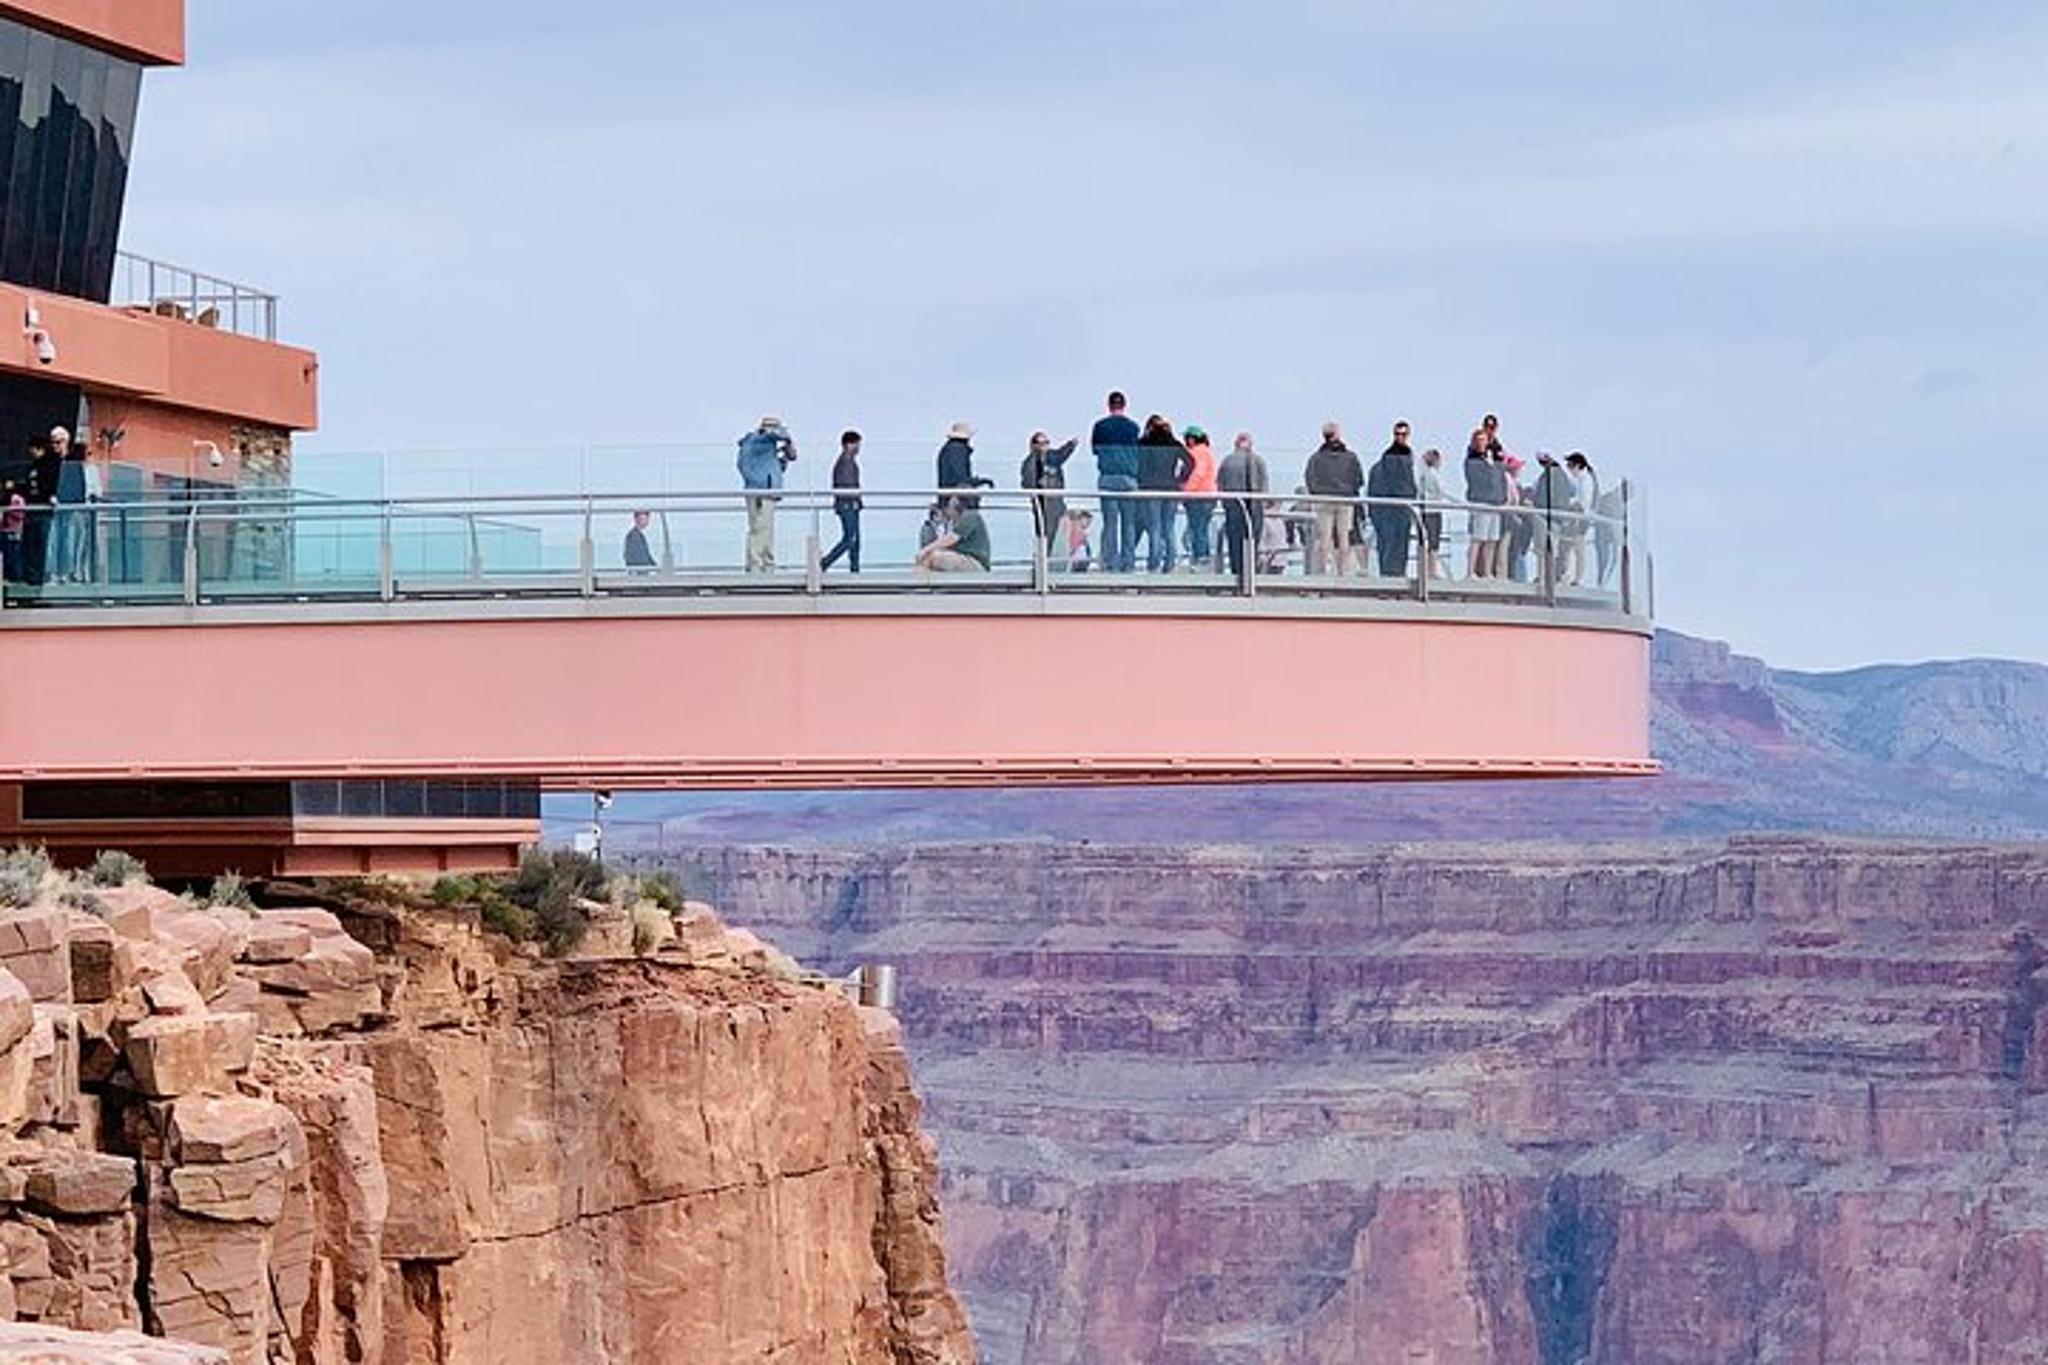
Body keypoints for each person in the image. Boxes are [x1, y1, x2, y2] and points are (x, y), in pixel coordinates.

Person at [735, 416, 795, 573]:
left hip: (761, 489)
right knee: (761, 528)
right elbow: (778, 435)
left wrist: (782, 458)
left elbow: (781, 465)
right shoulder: (758, 440)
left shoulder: (760, 447)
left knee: (761, 528)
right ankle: (757, 563)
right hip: (762, 490)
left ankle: (764, 562)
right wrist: (787, 438)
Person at [1303, 421, 1362, 576]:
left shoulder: (1315, 458)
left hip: (1323, 500)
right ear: (1337, 435)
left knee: (1325, 537)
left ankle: (1322, 571)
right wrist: (1349, 490)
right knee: (1344, 537)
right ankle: (1343, 571)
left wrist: (1316, 493)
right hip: (1345, 500)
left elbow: (1309, 478)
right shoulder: (1350, 457)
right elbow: (1359, 479)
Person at [1091, 391, 1141, 572]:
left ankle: (1111, 563)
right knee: (1129, 523)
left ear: (1109, 405)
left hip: (1108, 477)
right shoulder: (1133, 427)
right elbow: (1137, 452)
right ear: (1124, 405)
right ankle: (1128, 563)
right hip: (1128, 478)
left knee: (1110, 523)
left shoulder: (1100, 426)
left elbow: (1095, 450)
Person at [1135, 415, 1192, 572]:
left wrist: (1141, 480)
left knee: (1155, 527)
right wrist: (1180, 478)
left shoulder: (1143, 443)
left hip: (1150, 489)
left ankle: (1154, 564)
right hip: (1171, 489)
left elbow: (1137, 464)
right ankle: (1170, 564)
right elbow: (1191, 462)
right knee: (1169, 527)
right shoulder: (1173, 443)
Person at [1366, 420, 1419, 579]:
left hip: (1399, 510)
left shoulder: (1403, 460)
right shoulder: (1391, 463)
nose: (1400, 437)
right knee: (1390, 546)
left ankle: (1393, 576)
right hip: (1390, 511)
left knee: (1396, 546)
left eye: (1403, 434)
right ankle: (1389, 577)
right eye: (1398, 434)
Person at [1216, 431, 1269, 581]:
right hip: (1254, 507)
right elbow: (1264, 485)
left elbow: (1220, 484)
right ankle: (1250, 573)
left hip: (1232, 507)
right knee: (1253, 540)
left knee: (1234, 542)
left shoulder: (1227, 461)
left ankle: (1236, 571)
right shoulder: (1258, 460)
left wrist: (1225, 503)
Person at [1021, 431, 1077, 556]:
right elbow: (1027, 483)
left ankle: (1056, 564)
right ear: (1033, 445)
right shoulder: (1029, 463)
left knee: (1061, 537)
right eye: (1040, 443)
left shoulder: (1052, 458)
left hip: (1058, 504)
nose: (1043, 446)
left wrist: (1071, 445)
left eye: (1046, 443)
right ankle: (1042, 564)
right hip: (1043, 505)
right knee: (1044, 537)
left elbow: (1062, 454)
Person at [1531, 451, 1582, 585]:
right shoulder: (1563, 476)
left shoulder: (1549, 475)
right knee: (1552, 549)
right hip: (1557, 518)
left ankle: (1543, 577)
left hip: (1546, 516)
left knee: (1544, 549)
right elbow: (1572, 492)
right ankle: (1548, 577)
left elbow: (1541, 496)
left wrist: (1535, 504)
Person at [48, 427, 90, 585]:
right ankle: (54, 573)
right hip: (55, 508)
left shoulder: (75, 461)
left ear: (66, 442)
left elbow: (79, 484)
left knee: (71, 541)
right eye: (53, 442)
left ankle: (68, 573)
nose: (55, 446)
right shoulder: (51, 461)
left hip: (72, 507)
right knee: (54, 542)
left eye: (58, 442)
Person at [1463, 432, 1506, 579]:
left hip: (1495, 503)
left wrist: (1502, 497)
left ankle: (1488, 571)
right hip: (1481, 503)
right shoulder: (1471, 460)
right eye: (1479, 440)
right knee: (1478, 538)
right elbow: (1476, 480)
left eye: (1484, 440)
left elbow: (1500, 479)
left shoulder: (1494, 460)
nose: (1482, 443)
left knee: (1492, 540)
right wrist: (1488, 467)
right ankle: (1470, 571)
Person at [821, 430, 863, 573]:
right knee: (850, 539)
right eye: (857, 444)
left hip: (851, 505)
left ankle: (854, 569)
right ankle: (824, 563)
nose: (859, 447)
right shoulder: (845, 462)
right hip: (848, 505)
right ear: (849, 444)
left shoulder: (848, 461)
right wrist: (854, 500)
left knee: (854, 540)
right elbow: (847, 485)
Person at [915, 495, 990, 573]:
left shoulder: (970, 515)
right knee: (928, 558)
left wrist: (925, 550)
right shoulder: (960, 520)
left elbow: (952, 538)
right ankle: (920, 583)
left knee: (933, 557)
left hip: (976, 564)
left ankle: (919, 583)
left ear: (954, 502)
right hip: (967, 560)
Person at [1180, 425, 1218, 569]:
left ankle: (1200, 559)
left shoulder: (1197, 452)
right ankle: (1203, 558)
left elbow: (1197, 473)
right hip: (1207, 495)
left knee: (1198, 529)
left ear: (1192, 439)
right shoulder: (1206, 452)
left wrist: (1186, 492)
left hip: (1198, 496)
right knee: (1201, 528)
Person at [18, 436, 54, 587]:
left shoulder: (49, 465)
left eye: (32, 448)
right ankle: (31, 576)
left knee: (41, 544)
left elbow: (49, 484)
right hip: (31, 510)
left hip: (43, 510)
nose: (30, 451)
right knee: (30, 544)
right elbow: (27, 486)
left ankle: (40, 575)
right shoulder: (32, 466)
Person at [1565, 452, 1600, 586]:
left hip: (1580, 519)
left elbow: (1583, 502)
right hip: (1579, 517)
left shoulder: (1585, 480)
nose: (1569, 469)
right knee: (1575, 548)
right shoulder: (1582, 479)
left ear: (1578, 465)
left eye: (1570, 465)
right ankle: (1574, 576)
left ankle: (1578, 578)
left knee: (1578, 549)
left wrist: (1572, 507)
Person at [1502, 453, 1535, 582]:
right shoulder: (1511, 484)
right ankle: (1518, 579)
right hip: (1516, 525)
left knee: (1518, 553)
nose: (1520, 469)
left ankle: (1518, 577)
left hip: (1519, 525)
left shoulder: (1516, 485)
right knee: (1516, 553)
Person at [1418, 448, 1448, 579]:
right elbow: (1440, 490)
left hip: (1428, 509)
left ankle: (1429, 570)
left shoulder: (1424, 474)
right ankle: (1431, 571)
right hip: (1433, 510)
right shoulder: (1432, 474)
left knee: (1430, 541)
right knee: (1433, 541)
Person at [937, 422, 989, 490]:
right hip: (955, 496)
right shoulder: (958, 450)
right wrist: (979, 481)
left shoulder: (947, 449)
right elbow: (960, 478)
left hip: (947, 494)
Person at [0, 480, 23, 584]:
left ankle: (15, 578)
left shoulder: (17, 499)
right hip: (2, 531)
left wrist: (9, 510)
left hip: (14, 530)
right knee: (5, 554)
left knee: (14, 555)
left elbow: (20, 514)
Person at [1064, 508, 1095, 573]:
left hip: (1080, 555)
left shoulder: (1082, 532)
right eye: (1087, 521)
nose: (1088, 524)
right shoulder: (1075, 527)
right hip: (1077, 555)